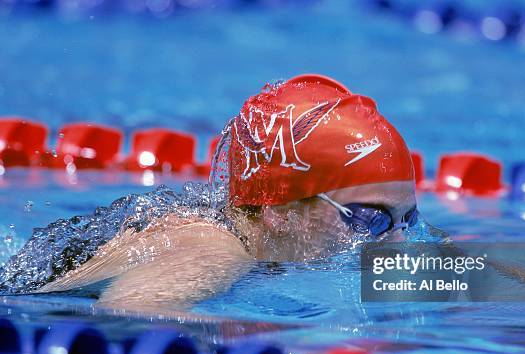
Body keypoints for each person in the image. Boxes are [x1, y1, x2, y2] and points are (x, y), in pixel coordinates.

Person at [0, 74, 422, 312]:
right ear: (280, 209)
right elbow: (129, 311)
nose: (397, 243)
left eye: (408, 219)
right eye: (371, 219)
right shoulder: (212, 251)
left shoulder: (251, 239)